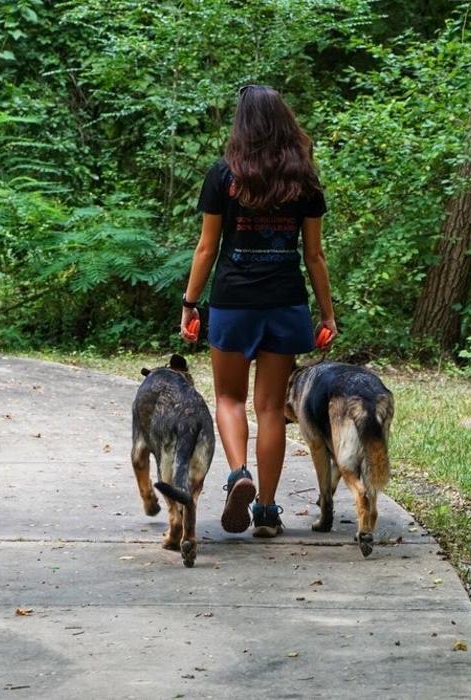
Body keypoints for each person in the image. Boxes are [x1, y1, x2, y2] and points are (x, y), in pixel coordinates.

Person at [179, 84, 337, 538]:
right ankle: (266, 512)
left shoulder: (223, 175)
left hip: (234, 302)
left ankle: (238, 474)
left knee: (229, 399)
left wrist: (190, 303)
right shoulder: (303, 179)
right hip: (285, 303)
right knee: (270, 409)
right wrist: (327, 314)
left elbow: (207, 247)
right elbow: (314, 256)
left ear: (242, 124)